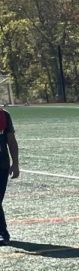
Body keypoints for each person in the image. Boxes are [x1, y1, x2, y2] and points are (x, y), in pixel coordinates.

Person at [0, 105, 18, 245]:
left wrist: (15, 163)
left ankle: (3, 233)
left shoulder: (4, 115)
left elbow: (11, 140)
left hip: (2, 165)